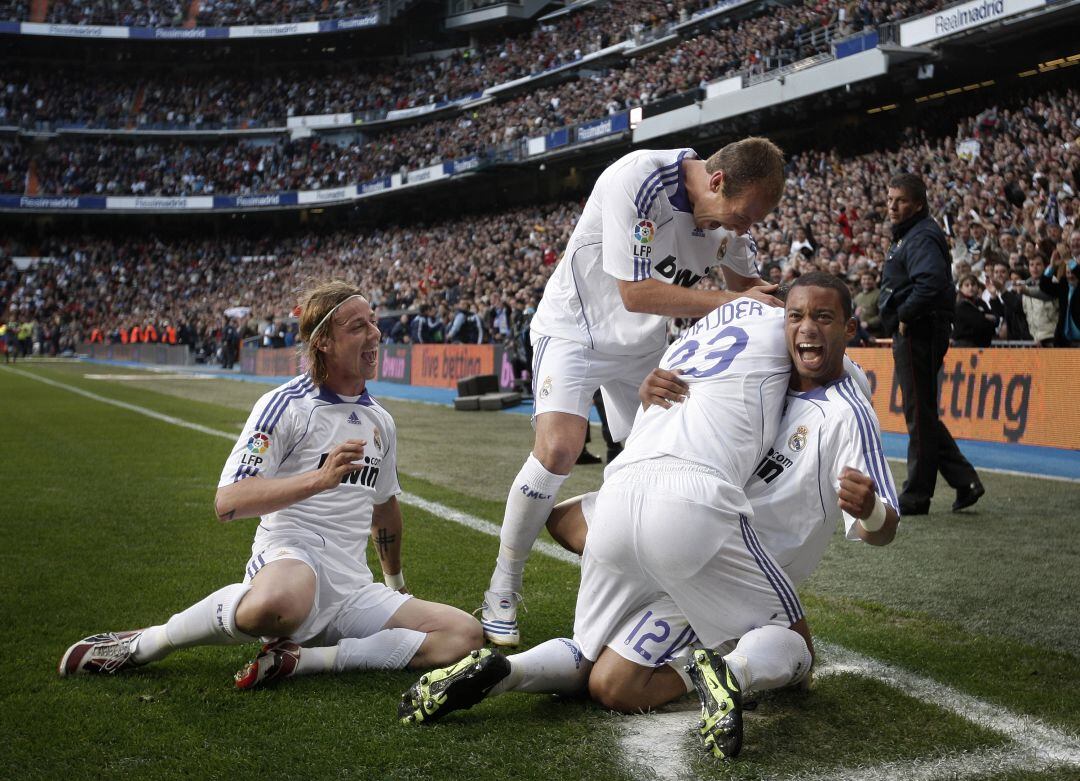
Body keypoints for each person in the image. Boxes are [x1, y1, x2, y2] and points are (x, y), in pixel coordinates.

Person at [399, 274, 899, 762]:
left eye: (823, 318)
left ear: (849, 330)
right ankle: (732, 671)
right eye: (795, 316)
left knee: (611, 684)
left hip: (663, 529)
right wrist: (650, 388)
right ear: (778, 322)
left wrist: (871, 507)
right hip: (710, 540)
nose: (806, 328)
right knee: (799, 653)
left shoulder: (844, 409)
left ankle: (508, 671)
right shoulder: (761, 373)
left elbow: (884, 527)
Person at [59, 281, 482, 685]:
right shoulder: (285, 406)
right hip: (292, 557)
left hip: (353, 586)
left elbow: (384, 508)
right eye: (357, 326)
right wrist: (318, 479)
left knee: (463, 636)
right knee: (279, 605)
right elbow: (229, 501)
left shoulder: (381, 422)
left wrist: (395, 586)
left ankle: (303, 661)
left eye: (372, 322)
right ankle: (146, 643)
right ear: (323, 342)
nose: (374, 334)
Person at [479, 138, 786, 647]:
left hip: (645, 346)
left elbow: (753, 291)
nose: (742, 228)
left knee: (655, 462)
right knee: (559, 448)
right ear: (716, 182)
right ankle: (502, 586)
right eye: (741, 214)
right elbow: (636, 293)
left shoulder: (730, 222)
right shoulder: (640, 180)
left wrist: (803, 313)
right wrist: (732, 300)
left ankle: (621, 569)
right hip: (575, 329)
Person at [879, 173, 983, 515]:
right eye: (890, 199)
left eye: (900, 201)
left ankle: (917, 495)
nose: (892, 206)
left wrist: (905, 316)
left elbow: (931, 284)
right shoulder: (913, 234)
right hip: (920, 329)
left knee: (919, 414)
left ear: (918, 204)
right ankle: (964, 480)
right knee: (921, 412)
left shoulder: (921, 236)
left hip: (919, 330)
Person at [952, 274, 997, 348]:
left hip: (982, 346)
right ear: (961, 288)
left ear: (978, 287)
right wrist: (985, 316)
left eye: (973, 285)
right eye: (967, 285)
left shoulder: (981, 302)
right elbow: (978, 323)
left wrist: (993, 295)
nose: (970, 287)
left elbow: (996, 319)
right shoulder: (961, 305)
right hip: (964, 346)